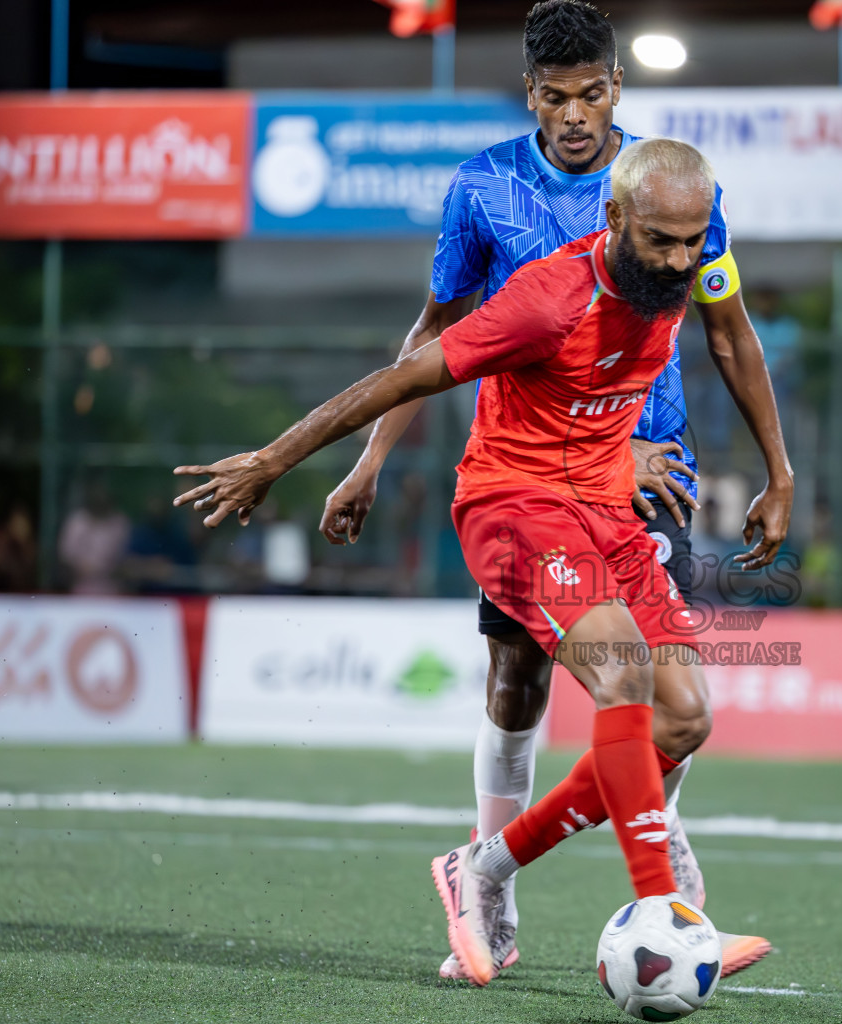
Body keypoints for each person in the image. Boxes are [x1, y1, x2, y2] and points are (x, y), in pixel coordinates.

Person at [173, 140, 781, 986]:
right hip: (515, 507)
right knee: (622, 676)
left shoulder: (684, 258)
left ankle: (483, 867)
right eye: (663, 243)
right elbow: (401, 380)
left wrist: (776, 473)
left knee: (684, 722)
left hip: (603, 505)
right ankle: (663, 914)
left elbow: (725, 336)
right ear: (615, 219)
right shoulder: (546, 300)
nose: (682, 261)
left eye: (692, 242)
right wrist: (276, 459)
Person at [314, 0, 788, 983]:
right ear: (529, 93)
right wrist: (367, 460)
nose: (575, 113)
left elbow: (728, 328)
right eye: (555, 95)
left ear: (619, 87)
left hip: (648, 469)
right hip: (530, 476)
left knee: (664, 699)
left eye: (594, 92)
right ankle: (495, 895)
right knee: (519, 682)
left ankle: (674, 905)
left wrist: (779, 471)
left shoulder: (668, 187)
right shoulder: (484, 187)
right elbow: (432, 336)